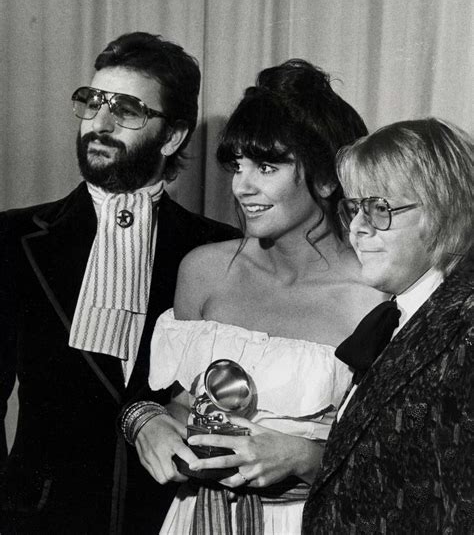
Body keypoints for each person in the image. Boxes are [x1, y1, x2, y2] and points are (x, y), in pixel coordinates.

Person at [121, 59, 384, 534]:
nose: (242, 187)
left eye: (266, 166)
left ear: (327, 177)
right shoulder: (203, 271)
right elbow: (184, 402)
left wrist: (308, 458)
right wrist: (150, 422)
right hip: (195, 517)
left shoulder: (372, 296)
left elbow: (398, 458)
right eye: (237, 165)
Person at [0, 32, 241, 534]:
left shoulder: (221, 250)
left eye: (127, 110)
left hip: (169, 518)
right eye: (93, 103)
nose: (100, 124)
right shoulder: (12, 237)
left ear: (172, 137)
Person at [302, 118, 473, 533]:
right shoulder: (401, 314)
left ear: (444, 211)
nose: (358, 229)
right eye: (353, 208)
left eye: (380, 209)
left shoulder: (466, 329)